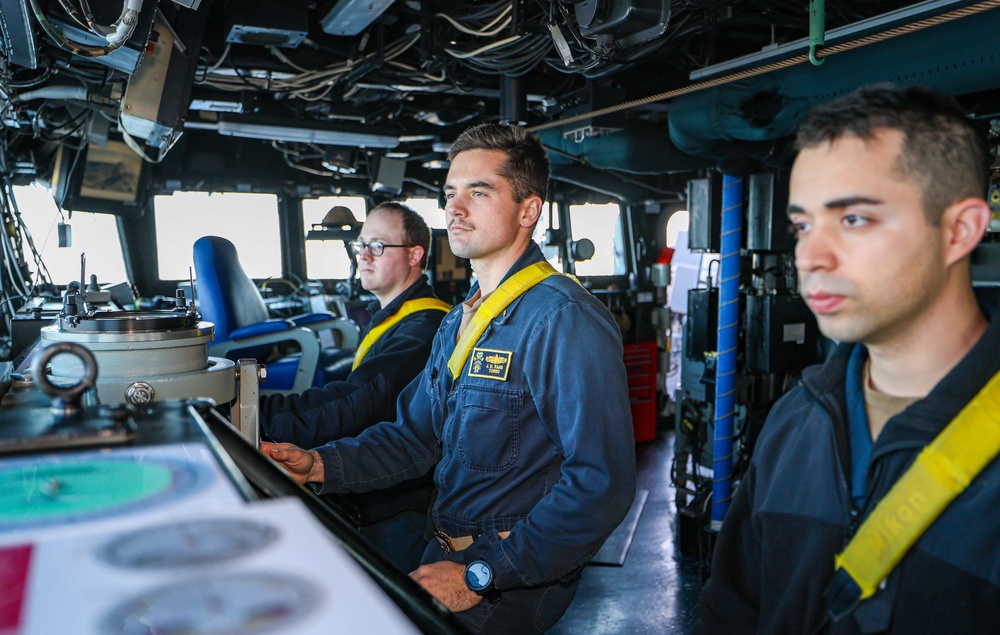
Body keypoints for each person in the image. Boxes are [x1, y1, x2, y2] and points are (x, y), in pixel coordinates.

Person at [262, 123, 637, 634]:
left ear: (529, 210)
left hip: (503, 579)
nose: (455, 210)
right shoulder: (459, 320)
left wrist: (482, 575)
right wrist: (321, 464)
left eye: (478, 193)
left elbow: (601, 485)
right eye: (450, 193)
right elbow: (413, 438)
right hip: (443, 551)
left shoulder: (564, 319)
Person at [694, 85, 1000, 634]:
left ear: (960, 230)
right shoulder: (796, 422)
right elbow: (731, 611)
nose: (811, 256)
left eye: (853, 219)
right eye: (802, 225)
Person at [261, 202, 449, 572]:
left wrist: (258, 418)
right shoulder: (398, 317)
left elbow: (361, 400)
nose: (363, 255)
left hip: (396, 509)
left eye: (377, 246)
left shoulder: (424, 328)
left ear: (415, 255)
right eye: (360, 245)